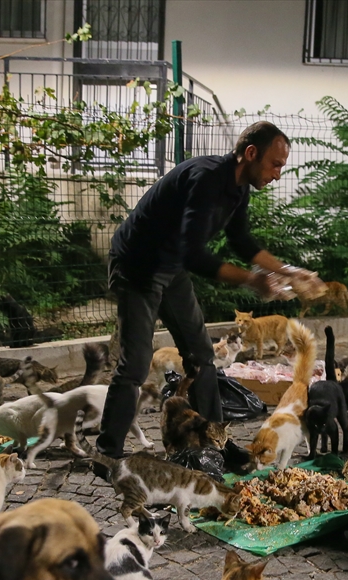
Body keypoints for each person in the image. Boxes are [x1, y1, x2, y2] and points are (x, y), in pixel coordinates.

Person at [95, 120, 315, 460]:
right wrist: (253, 280)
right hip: (137, 266)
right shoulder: (207, 178)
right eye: (275, 164)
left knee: (203, 356)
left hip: (171, 267)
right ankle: (107, 453)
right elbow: (196, 255)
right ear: (251, 153)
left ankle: (217, 444)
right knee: (136, 364)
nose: (277, 174)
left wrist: (289, 271)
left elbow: (241, 242)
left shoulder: (238, 187)